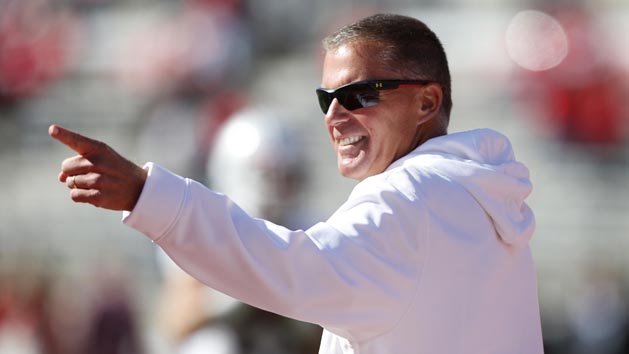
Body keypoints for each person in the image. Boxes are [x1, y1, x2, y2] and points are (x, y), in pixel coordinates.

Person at [49, 13, 543, 354]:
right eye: (326, 97)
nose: (334, 115)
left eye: (358, 94)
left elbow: (290, 269)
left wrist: (146, 194)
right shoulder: (481, 195)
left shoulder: (406, 198)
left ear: (427, 103)